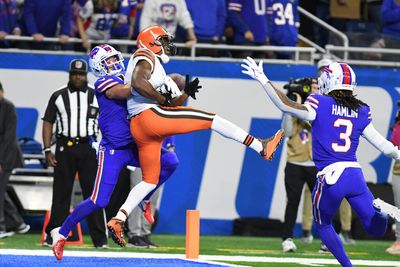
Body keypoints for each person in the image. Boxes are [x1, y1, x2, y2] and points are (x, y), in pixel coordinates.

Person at [106, 25, 285, 247]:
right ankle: (260, 146)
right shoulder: (145, 56)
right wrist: (161, 99)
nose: (166, 45)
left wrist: (185, 94)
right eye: (162, 40)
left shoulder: (156, 68)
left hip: (140, 125)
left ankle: (119, 218)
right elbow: (140, 83)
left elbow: (171, 104)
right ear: (151, 42)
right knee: (211, 119)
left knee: (149, 180)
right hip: (148, 117)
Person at [241, 57, 400, 267]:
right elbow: (387, 148)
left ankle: (348, 266)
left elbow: (285, 104)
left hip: (331, 176)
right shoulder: (361, 110)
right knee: (376, 229)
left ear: (328, 81)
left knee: (323, 225)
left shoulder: (319, 102)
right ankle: (381, 212)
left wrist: (263, 79)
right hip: (355, 174)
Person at [50, 44, 179, 260]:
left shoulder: (130, 79)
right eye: (108, 61)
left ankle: (145, 198)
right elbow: (123, 91)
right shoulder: (104, 82)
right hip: (113, 150)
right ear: (100, 67)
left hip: (133, 146)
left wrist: (167, 92)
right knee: (98, 201)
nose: (114, 63)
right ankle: (61, 233)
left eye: (114, 58)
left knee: (171, 161)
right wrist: (152, 83)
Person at [42, 59, 107, 248]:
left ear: (87, 75)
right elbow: (48, 122)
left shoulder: (98, 95)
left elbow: (108, 121)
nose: (78, 77)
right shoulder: (58, 95)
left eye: (81, 74)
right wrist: (47, 150)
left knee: (94, 194)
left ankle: (99, 239)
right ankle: (53, 235)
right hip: (65, 147)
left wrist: (105, 146)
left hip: (89, 147)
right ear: (70, 75)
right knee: (61, 193)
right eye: (74, 74)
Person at [280, 78, 319, 252]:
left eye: (318, 87)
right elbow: (287, 131)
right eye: (313, 88)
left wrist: (303, 108)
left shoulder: (321, 107)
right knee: (293, 202)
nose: (316, 90)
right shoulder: (297, 108)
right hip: (295, 163)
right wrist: (290, 106)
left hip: (315, 163)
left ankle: (328, 240)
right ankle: (287, 238)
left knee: (322, 203)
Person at [126, 136, 177, 248]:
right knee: (137, 196)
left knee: (152, 198)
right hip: (141, 156)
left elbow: (169, 128)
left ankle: (145, 234)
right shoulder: (138, 117)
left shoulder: (164, 118)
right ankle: (134, 235)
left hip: (159, 157)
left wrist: (171, 146)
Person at [0, 82, 30, 239]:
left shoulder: (8, 108)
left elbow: (8, 138)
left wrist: (2, 162)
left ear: (2, 92)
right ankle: (18, 223)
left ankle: (1, 227)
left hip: (8, 157)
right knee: (1, 190)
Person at [386, 111, 400, 254]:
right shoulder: (398, 125)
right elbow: (394, 144)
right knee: (399, 206)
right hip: (399, 169)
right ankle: (399, 240)